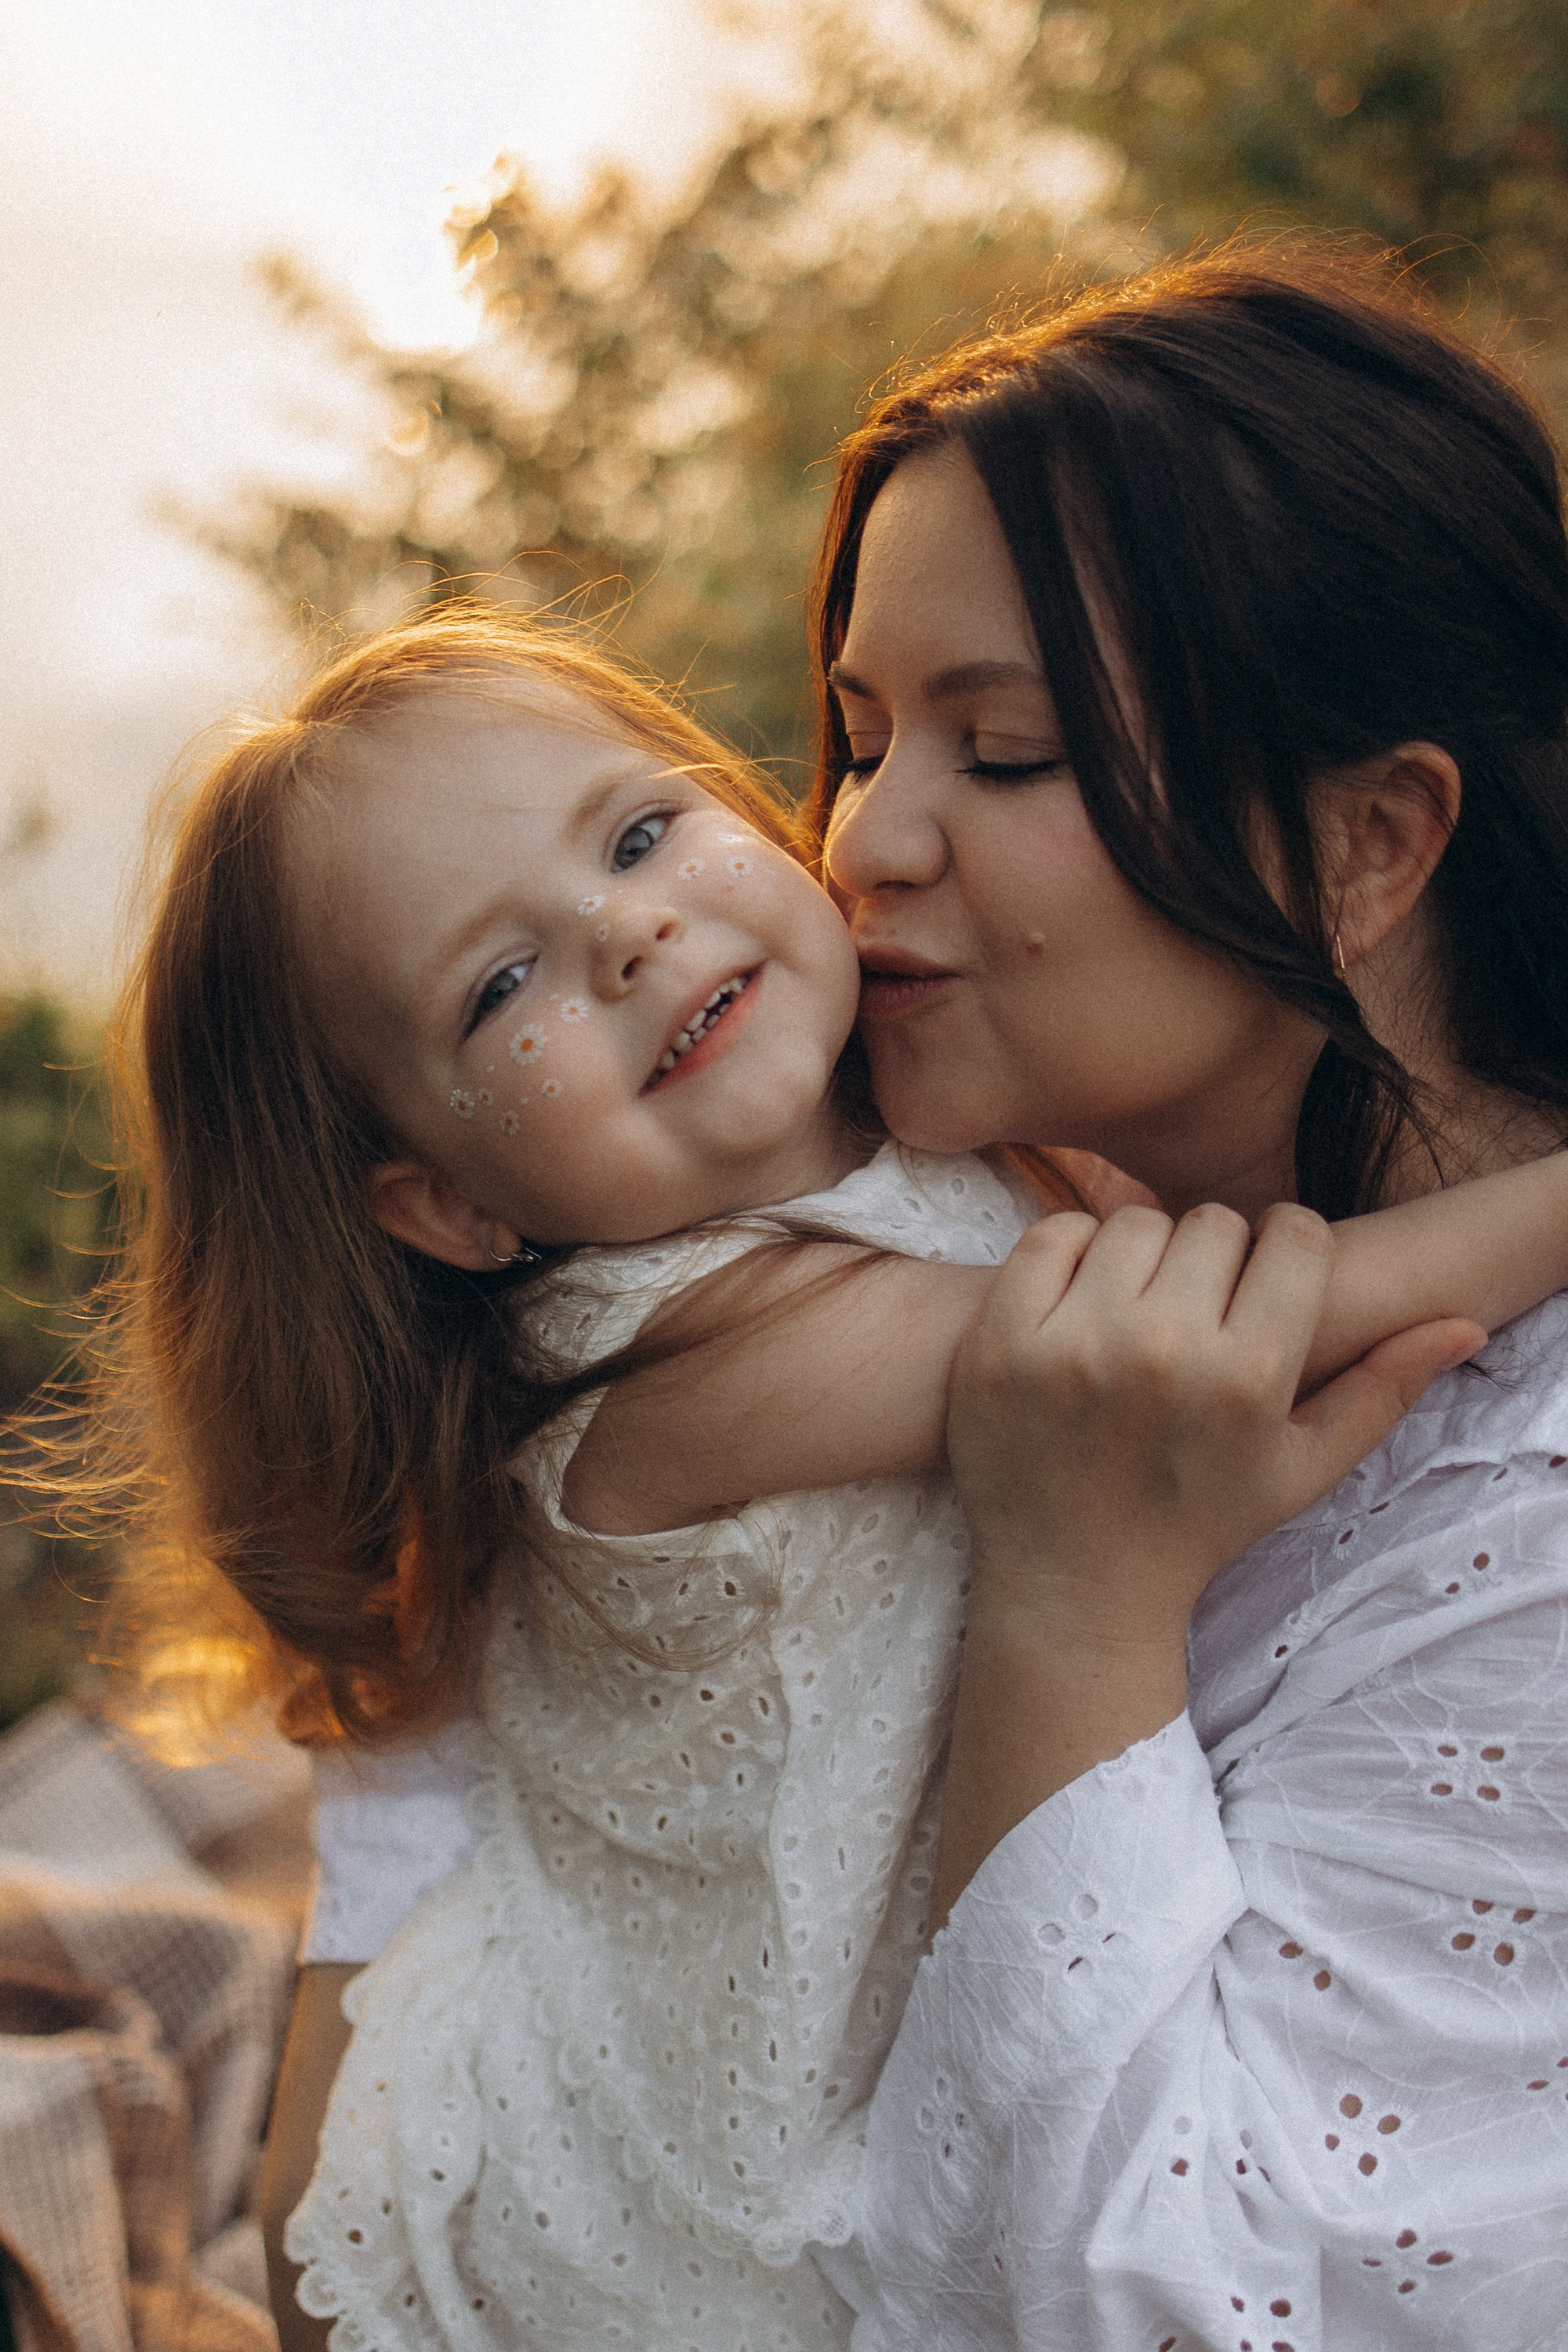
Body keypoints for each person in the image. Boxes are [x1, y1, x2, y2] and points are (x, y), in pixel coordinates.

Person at [37, 590, 1568, 2352]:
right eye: (498, 985)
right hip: (663, 2190)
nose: (625, 934)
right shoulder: (701, 1354)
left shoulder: (954, 1144)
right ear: (451, 1205)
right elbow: (1274, 1318)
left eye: (637, 831)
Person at [807, 251, 1568, 2345]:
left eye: (1010, 751)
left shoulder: (1531, 1523)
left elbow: (1187, 2314)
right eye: (860, 739)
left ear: (1366, 843)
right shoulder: (953, 1239)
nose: (864, 843)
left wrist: (1075, 1598)